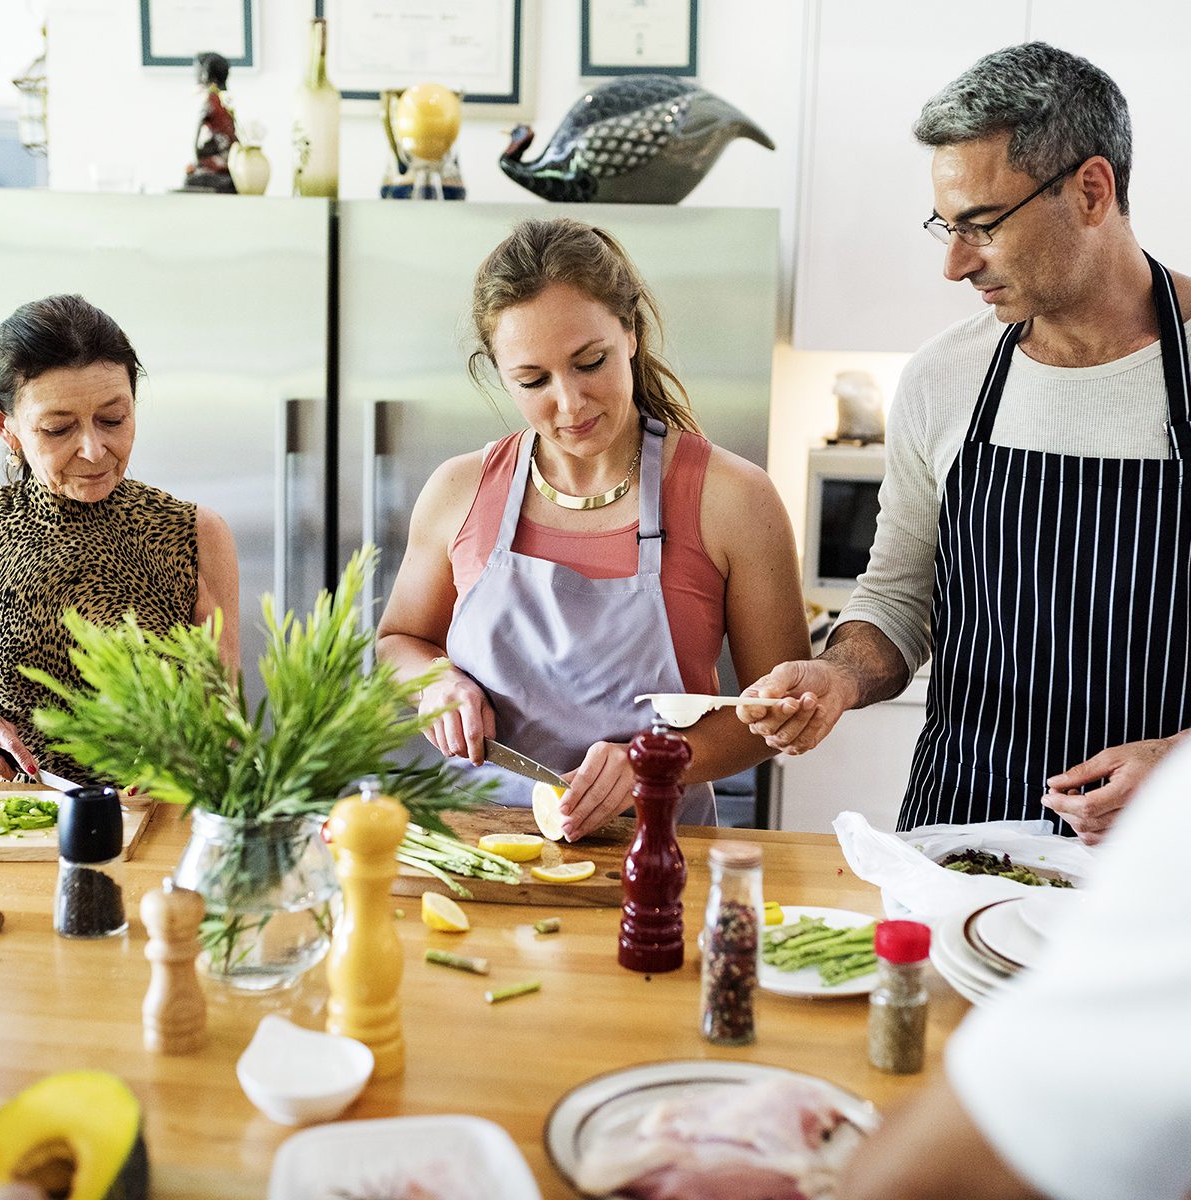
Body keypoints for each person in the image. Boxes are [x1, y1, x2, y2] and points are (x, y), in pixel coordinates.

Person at [741, 43, 1191, 844]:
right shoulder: (944, 378)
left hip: (1163, 863)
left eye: (982, 227)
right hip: (961, 839)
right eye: (947, 229)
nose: (954, 266)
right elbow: (900, 596)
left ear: (1092, 190)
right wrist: (839, 676)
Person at [376, 216, 808, 840]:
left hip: (658, 854)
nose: (570, 404)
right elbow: (397, 643)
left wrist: (654, 766)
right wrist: (436, 682)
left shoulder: (734, 499)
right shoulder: (458, 491)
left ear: (630, 332)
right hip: (483, 851)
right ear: (498, 373)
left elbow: (776, 712)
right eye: (533, 381)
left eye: (590, 362)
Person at [836, 734, 1191, 1200]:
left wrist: (1172, 760)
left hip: (1144, 819)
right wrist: (847, 673)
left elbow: (926, 1178)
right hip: (961, 794)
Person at [0, 294, 240, 782]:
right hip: (19, 830)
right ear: (6, 426)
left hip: (157, 817)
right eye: (58, 428)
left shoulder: (193, 534)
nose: (93, 449)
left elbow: (225, 720)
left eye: (113, 419)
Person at [183, 51, 237, 193]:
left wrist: (198, 163)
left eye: (198, 70)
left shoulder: (212, 100)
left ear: (206, 74)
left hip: (218, 168)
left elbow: (200, 140)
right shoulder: (223, 100)